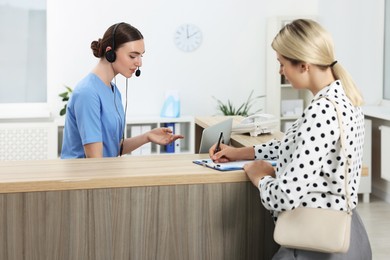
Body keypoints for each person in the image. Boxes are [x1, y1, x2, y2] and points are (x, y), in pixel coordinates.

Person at [209, 19, 371, 259]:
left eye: (282, 64)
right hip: (345, 231)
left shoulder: (321, 111)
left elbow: (284, 196)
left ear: (304, 65)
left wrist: (260, 177)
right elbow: (296, 145)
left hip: (314, 242)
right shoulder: (344, 99)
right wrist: (242, 153)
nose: (280, 72)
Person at [61, 22, 183, 159]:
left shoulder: (113, 90)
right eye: (132, 56)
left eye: (140, 56)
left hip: (104, 173)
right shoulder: (87, 93)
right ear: (110, 52)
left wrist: (147, 136)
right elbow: (95, 159)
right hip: (84, 177)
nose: (139, 63)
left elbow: (113, 148)